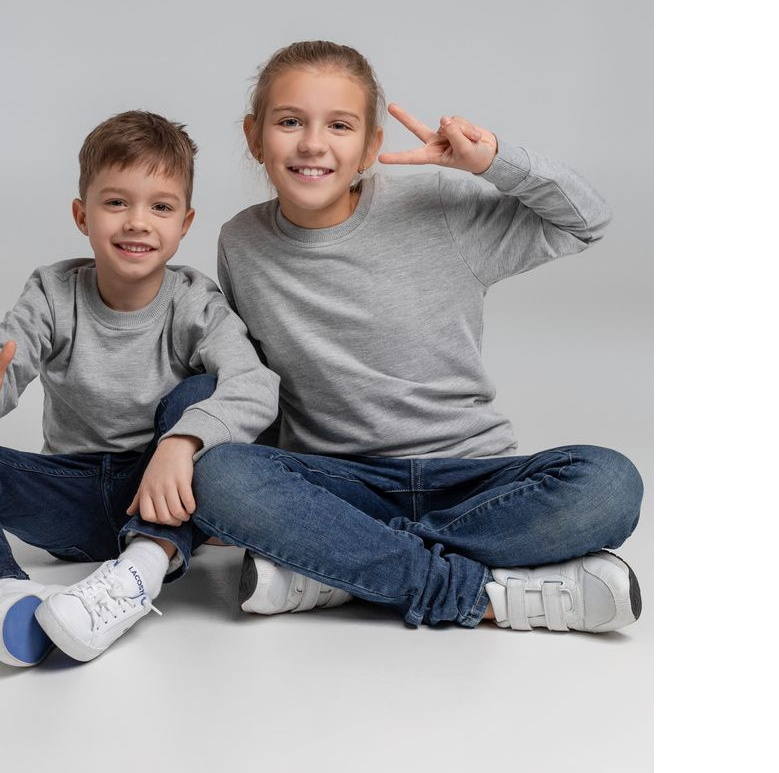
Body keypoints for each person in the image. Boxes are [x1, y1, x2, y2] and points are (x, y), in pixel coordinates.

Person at [185, 40, 644, 633]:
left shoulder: (437, 208)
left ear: (370, 145)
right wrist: (254, 493)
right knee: (218, 475)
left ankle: (339, 568)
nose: (313, 144)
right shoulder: (241, 242)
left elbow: (587, 221)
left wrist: (493, 163)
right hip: (343, 484)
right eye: (290, 121)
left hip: (472, 478)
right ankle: (478, 592)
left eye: (340, 126)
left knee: (610, 484)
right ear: (254, 136)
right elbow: (263, 374)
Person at [0, 111, 279, 666]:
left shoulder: (193, 301)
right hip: (72, 493)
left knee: (203, 392)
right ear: (82, 215)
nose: (138, 222)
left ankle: (142, 567)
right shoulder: (53, 292)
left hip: (159, 491)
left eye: (160, 207)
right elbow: (3, 358)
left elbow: (255, 383)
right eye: (116, 203)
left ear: (185, 223)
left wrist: (181, 445)